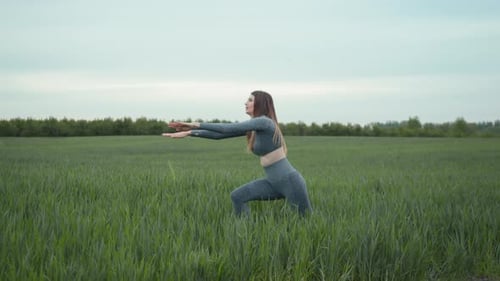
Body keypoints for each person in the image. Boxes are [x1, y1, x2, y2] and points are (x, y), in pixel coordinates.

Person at [162, 90, 312, 216]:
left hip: (289, 182)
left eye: (250, 100)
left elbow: (226, 128)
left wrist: (193, 123)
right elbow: (219, 135)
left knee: (305, 221)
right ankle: (245, 233)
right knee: (238, 196)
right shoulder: (255, 128)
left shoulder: (264, 122)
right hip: (273, 182)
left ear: (260, 103)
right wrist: (189, 132)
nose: (245, 103)